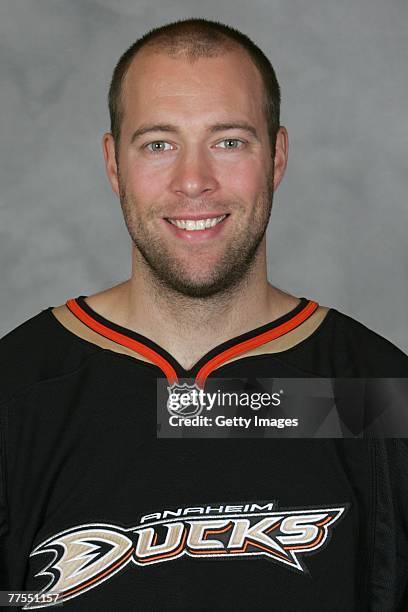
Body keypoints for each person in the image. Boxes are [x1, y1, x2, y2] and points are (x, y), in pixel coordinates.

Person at [1, 17, 407, 611]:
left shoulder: (374, 395)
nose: (194, 181)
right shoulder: (16, 393)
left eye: (230, 141)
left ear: (277, 157)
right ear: (115, 165)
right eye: (159, 144)